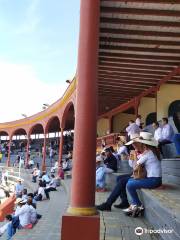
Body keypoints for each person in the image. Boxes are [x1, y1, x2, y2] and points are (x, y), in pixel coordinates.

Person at [123, 132, 162, 217]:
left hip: (153, 180)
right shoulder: (152, 151)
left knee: (130, 184)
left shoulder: (148, 153)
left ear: (144, 143)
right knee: (130, 181)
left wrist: (134, 154)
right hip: (154, 179)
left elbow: (135, 166)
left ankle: (137, 204)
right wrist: (134, 155)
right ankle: (134, 205)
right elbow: (135, 164)